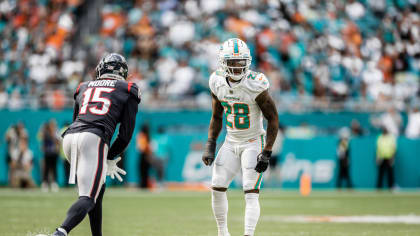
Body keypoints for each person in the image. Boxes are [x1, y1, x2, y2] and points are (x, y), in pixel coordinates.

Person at [50, 53, 141, 236]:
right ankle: (60, 233)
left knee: (96, 190)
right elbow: (125, 135)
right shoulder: (128, 88)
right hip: (94, 138)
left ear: (101, 68)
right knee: (88, 197)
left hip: (69, 138)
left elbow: (75, 120)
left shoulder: (82, 86)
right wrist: (110, 156)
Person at [202, 38, 279, 236]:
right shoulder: (216, 81)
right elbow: (216, 116)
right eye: (232, 62)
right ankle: (222, 233)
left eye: (241, 62)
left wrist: (267, 151)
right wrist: (210, 144)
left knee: (250, 192)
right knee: (217, 186)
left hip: (253, 141)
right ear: (222, 62)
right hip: (230, 141)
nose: (237, 66)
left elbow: (273, 118)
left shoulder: (256, 84)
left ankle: (248, 234)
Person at [40, 119, 61, 192]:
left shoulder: (57, 132)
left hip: (54, 153)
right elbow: (42, 141)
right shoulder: (46, 132)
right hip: (47, 153)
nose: (53, 126)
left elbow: (58, 142)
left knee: (54, 168)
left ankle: (54, 183)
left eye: (54, 125)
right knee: (46, 168)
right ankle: (45, 183)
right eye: (52, 124)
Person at [137, 124, 152, 189]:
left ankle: (144, 185)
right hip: (146, 155)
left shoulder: (143, 136)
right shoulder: (144, 136)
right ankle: (144, 184)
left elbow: (141, 148)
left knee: (144, 171)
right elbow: (142, 147)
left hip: (145, 155)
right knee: (144, 171)